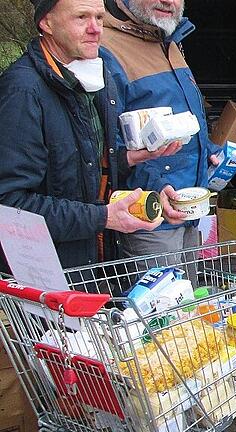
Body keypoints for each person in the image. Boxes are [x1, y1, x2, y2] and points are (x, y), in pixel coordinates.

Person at [0, 0, 164, 273]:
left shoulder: (96, 75)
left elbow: (83, 168)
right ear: (46, 23)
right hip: (43, 274)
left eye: (99, 17)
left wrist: (133, 166)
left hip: (93, 262)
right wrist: (102, 218)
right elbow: (10, 205)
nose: (95, 29)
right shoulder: (22, 91)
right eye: (81, 17)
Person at [99, 0, 220, 262]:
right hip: (150, 217)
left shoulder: (168, 39)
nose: (168, 1)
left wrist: (208, 151)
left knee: (192, 301)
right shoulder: (106, 48)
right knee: (161, 301)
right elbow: (108, 145)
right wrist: (154, 184)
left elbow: (182, 117)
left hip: (190, 209)